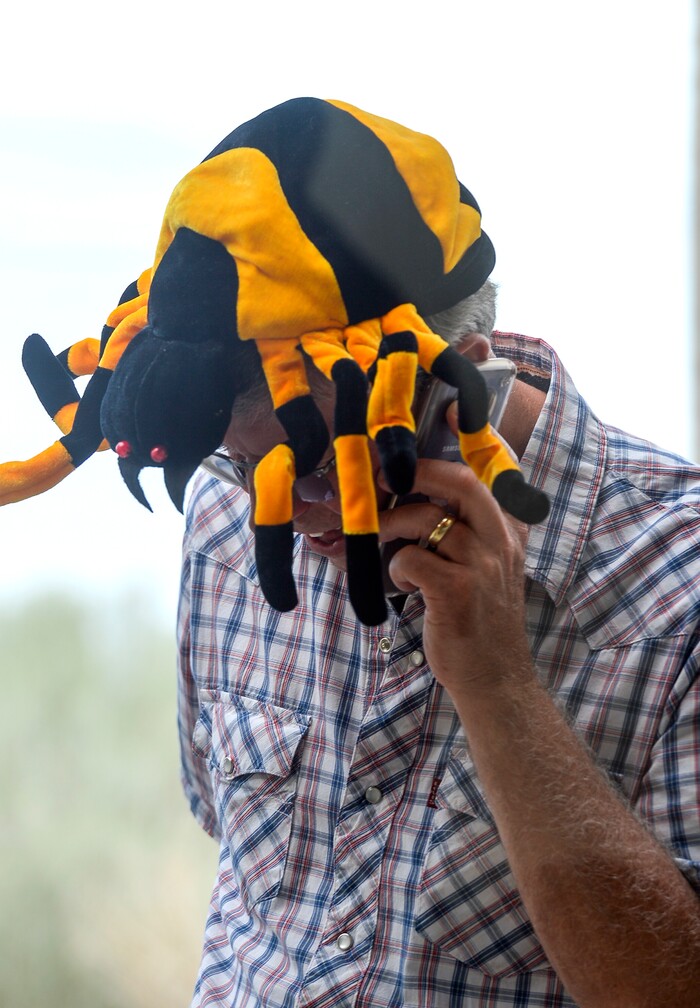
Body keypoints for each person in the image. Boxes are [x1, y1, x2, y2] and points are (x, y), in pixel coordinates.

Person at [175, 111, 700, 1006]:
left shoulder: (679, 586)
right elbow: (223, 835)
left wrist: (500, 689)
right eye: (244, 461)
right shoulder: (228, 512)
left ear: (465, 370)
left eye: (314, 463)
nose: (292, 517)